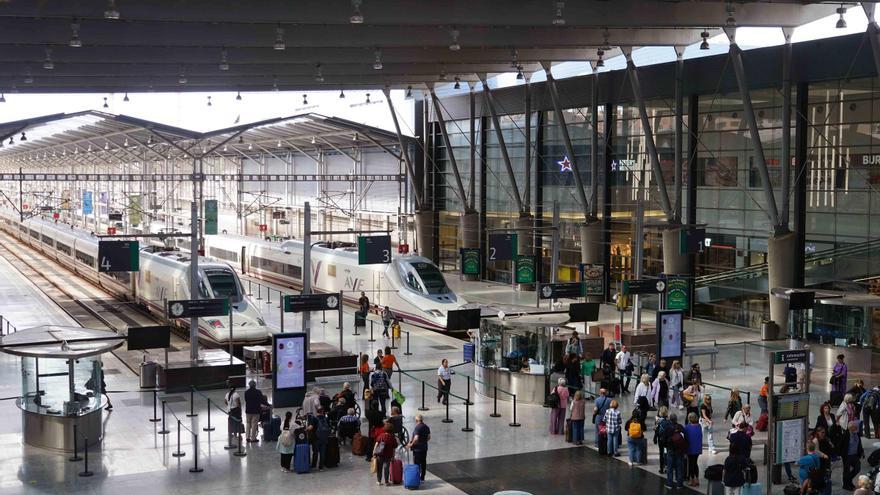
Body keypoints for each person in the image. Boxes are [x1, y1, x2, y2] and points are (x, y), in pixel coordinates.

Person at [839, 421, 864, 491]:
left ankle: (848, 480)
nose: (856, 428)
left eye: (856, 427)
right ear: (850, 428)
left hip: (855, 455)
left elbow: (859, 443)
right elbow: (840, 445)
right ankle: (846, 485)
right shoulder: (845, 435)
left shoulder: (857, 433)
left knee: (857, 468)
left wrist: (862, 451)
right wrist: (841, 454)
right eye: (854, 427)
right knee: (846, 471)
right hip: (847, 456)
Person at [665, 413, 687, 490]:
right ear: (676, 419)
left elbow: (665, 439)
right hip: (680, 451)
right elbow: (685, 438)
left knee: (670, 468)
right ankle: (679, 484)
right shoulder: (680, 427)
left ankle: (669, 484)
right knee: (679, 468)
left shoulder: (668, 428)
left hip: (670, 450)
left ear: (670, 419)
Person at [406, 414, 430, 482]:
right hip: (424, 448)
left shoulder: (417, 427)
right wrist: (423, 441)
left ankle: (416, 478)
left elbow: (416, 438)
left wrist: (411, 444)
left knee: (417, 464)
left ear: (416, 420)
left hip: (417, 449)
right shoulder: (426, 427)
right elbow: (429, 437)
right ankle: (422, 477)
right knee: (423, 462)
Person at [373, 421, 399, 486]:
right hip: (388, 455)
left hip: (380, 455)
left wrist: (374, 452)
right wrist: (393, 456)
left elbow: (376, 444)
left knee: (379, 468)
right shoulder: (392, 437)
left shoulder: (381, 436)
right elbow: (394, 448)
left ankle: (379, 481)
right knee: (386, 468)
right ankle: (386, 482)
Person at [307, 406, 331, 471]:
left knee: (315, 452)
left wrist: (306, 429)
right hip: (324, 438)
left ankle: (314, 465)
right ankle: (321, 467)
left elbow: (311, 427)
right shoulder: (326, 418)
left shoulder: (314, 418)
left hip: (316, 438)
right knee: (322, 452)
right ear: (322, 412)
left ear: (316, 411)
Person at [684, 412, 703, 487]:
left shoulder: (687, 427)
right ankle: (697, 479)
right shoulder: (699, 426)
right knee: (695, 463)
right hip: (697, 448)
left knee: (691, 464)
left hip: (690, 449)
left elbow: (685, 438)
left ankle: (692, 480)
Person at [654, 406, 671, 474]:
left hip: (660, 440)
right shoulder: (669, 421)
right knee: (667, 452)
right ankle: (667, 467)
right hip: (667, 440)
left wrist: (655, 438)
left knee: (661, 453)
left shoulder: (658, 421)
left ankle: (661, 468)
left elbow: (656, 430)